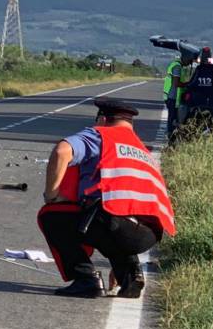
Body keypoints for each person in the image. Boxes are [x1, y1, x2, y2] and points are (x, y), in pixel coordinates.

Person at [37, 98, 176, 298]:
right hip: (149, 235)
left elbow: (62, 152)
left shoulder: (100, 135)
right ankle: (130, 275)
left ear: (102, 119)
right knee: (114, 217)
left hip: (115, 224)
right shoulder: (142, 150)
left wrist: (51, 196)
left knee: (51, 216)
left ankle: (86, 279)